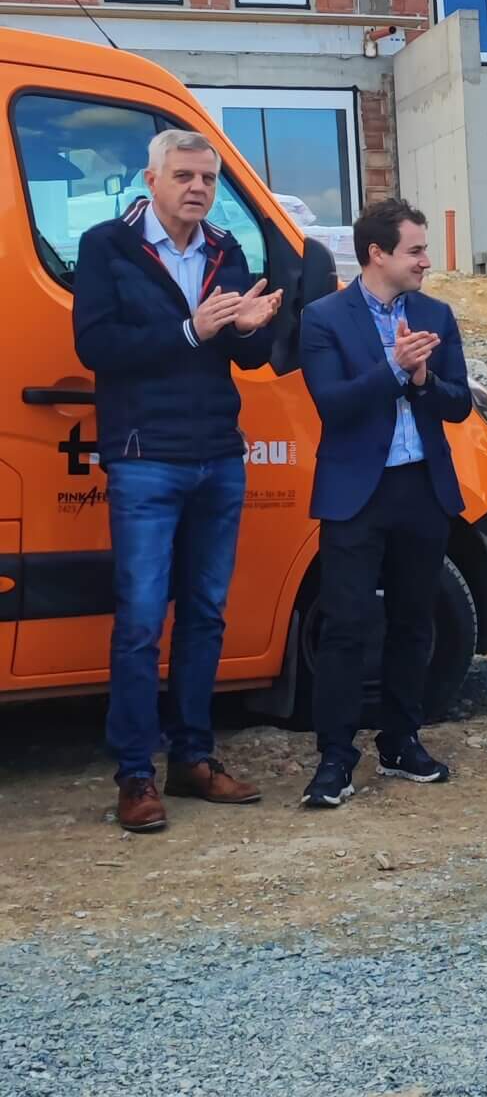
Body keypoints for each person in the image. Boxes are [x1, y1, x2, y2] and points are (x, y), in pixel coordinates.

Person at [73, 127, 283, 832]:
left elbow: (249, 357)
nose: (198, 188)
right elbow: (97, 345)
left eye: (208, 178)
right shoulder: (107, 246)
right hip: (145, 455)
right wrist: (191, 331)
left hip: (217, 453)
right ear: (151, 180)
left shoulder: (226, 249)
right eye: (184, 175)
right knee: (139, 622)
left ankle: (192, 759)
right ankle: (135, 775)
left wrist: (250, 328)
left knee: (205, 615)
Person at [298, 196, 473, 808]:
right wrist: (396, 369)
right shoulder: (323, 317)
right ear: (377, 253)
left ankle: (401, 741)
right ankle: (335, 758)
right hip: (356, 493)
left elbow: (459, 404)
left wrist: (424, 381)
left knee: (413, 621)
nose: (426, 261)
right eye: (415, 250)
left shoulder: (435, 314)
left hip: (421, 488)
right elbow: (332, 404)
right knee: (346, 625)